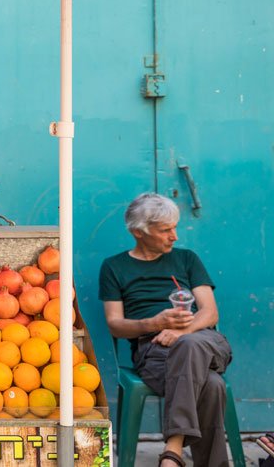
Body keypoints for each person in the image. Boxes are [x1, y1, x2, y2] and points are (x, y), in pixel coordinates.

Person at [99, 193, 232, 467]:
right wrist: (155, 323)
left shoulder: (186, 259)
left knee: (189, 345)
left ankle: (173, 449)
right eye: (165, 231)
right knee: (213, 385)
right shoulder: (114, 267)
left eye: (175, 228)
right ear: (139, 232)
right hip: (154, 348)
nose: (175, 237)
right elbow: (115, 324)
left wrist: (183, 332)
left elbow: (210, 312)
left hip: (203, 339)